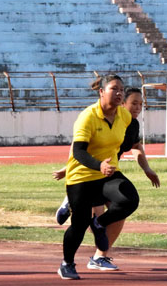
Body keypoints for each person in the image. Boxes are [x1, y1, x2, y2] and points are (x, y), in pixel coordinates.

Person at [53, 87, 160, 271]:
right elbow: (79, 147)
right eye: (134, 103)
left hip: (108, 171)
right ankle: (70, 205)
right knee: (87, 218)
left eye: (141, 104)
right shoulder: (95, 116)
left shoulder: (130, 123)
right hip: (88, 173)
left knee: (120, 211)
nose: (138, 108)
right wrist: (67, 168)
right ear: (122, 103)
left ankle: (100, 255)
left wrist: (147, 169)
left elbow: (135, 146)